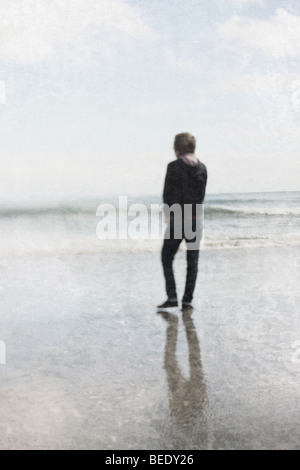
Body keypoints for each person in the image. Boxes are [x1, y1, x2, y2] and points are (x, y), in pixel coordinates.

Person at [158, 133, 207, 312]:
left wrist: (168, 215)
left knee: (167, 257)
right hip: (196, 219)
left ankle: (172, 297)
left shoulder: (173, 166)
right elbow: (200, 196)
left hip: (178, 219)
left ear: (177, 148)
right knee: (192, 261)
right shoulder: (202, 168)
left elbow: (167, 193)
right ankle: (187, 301)